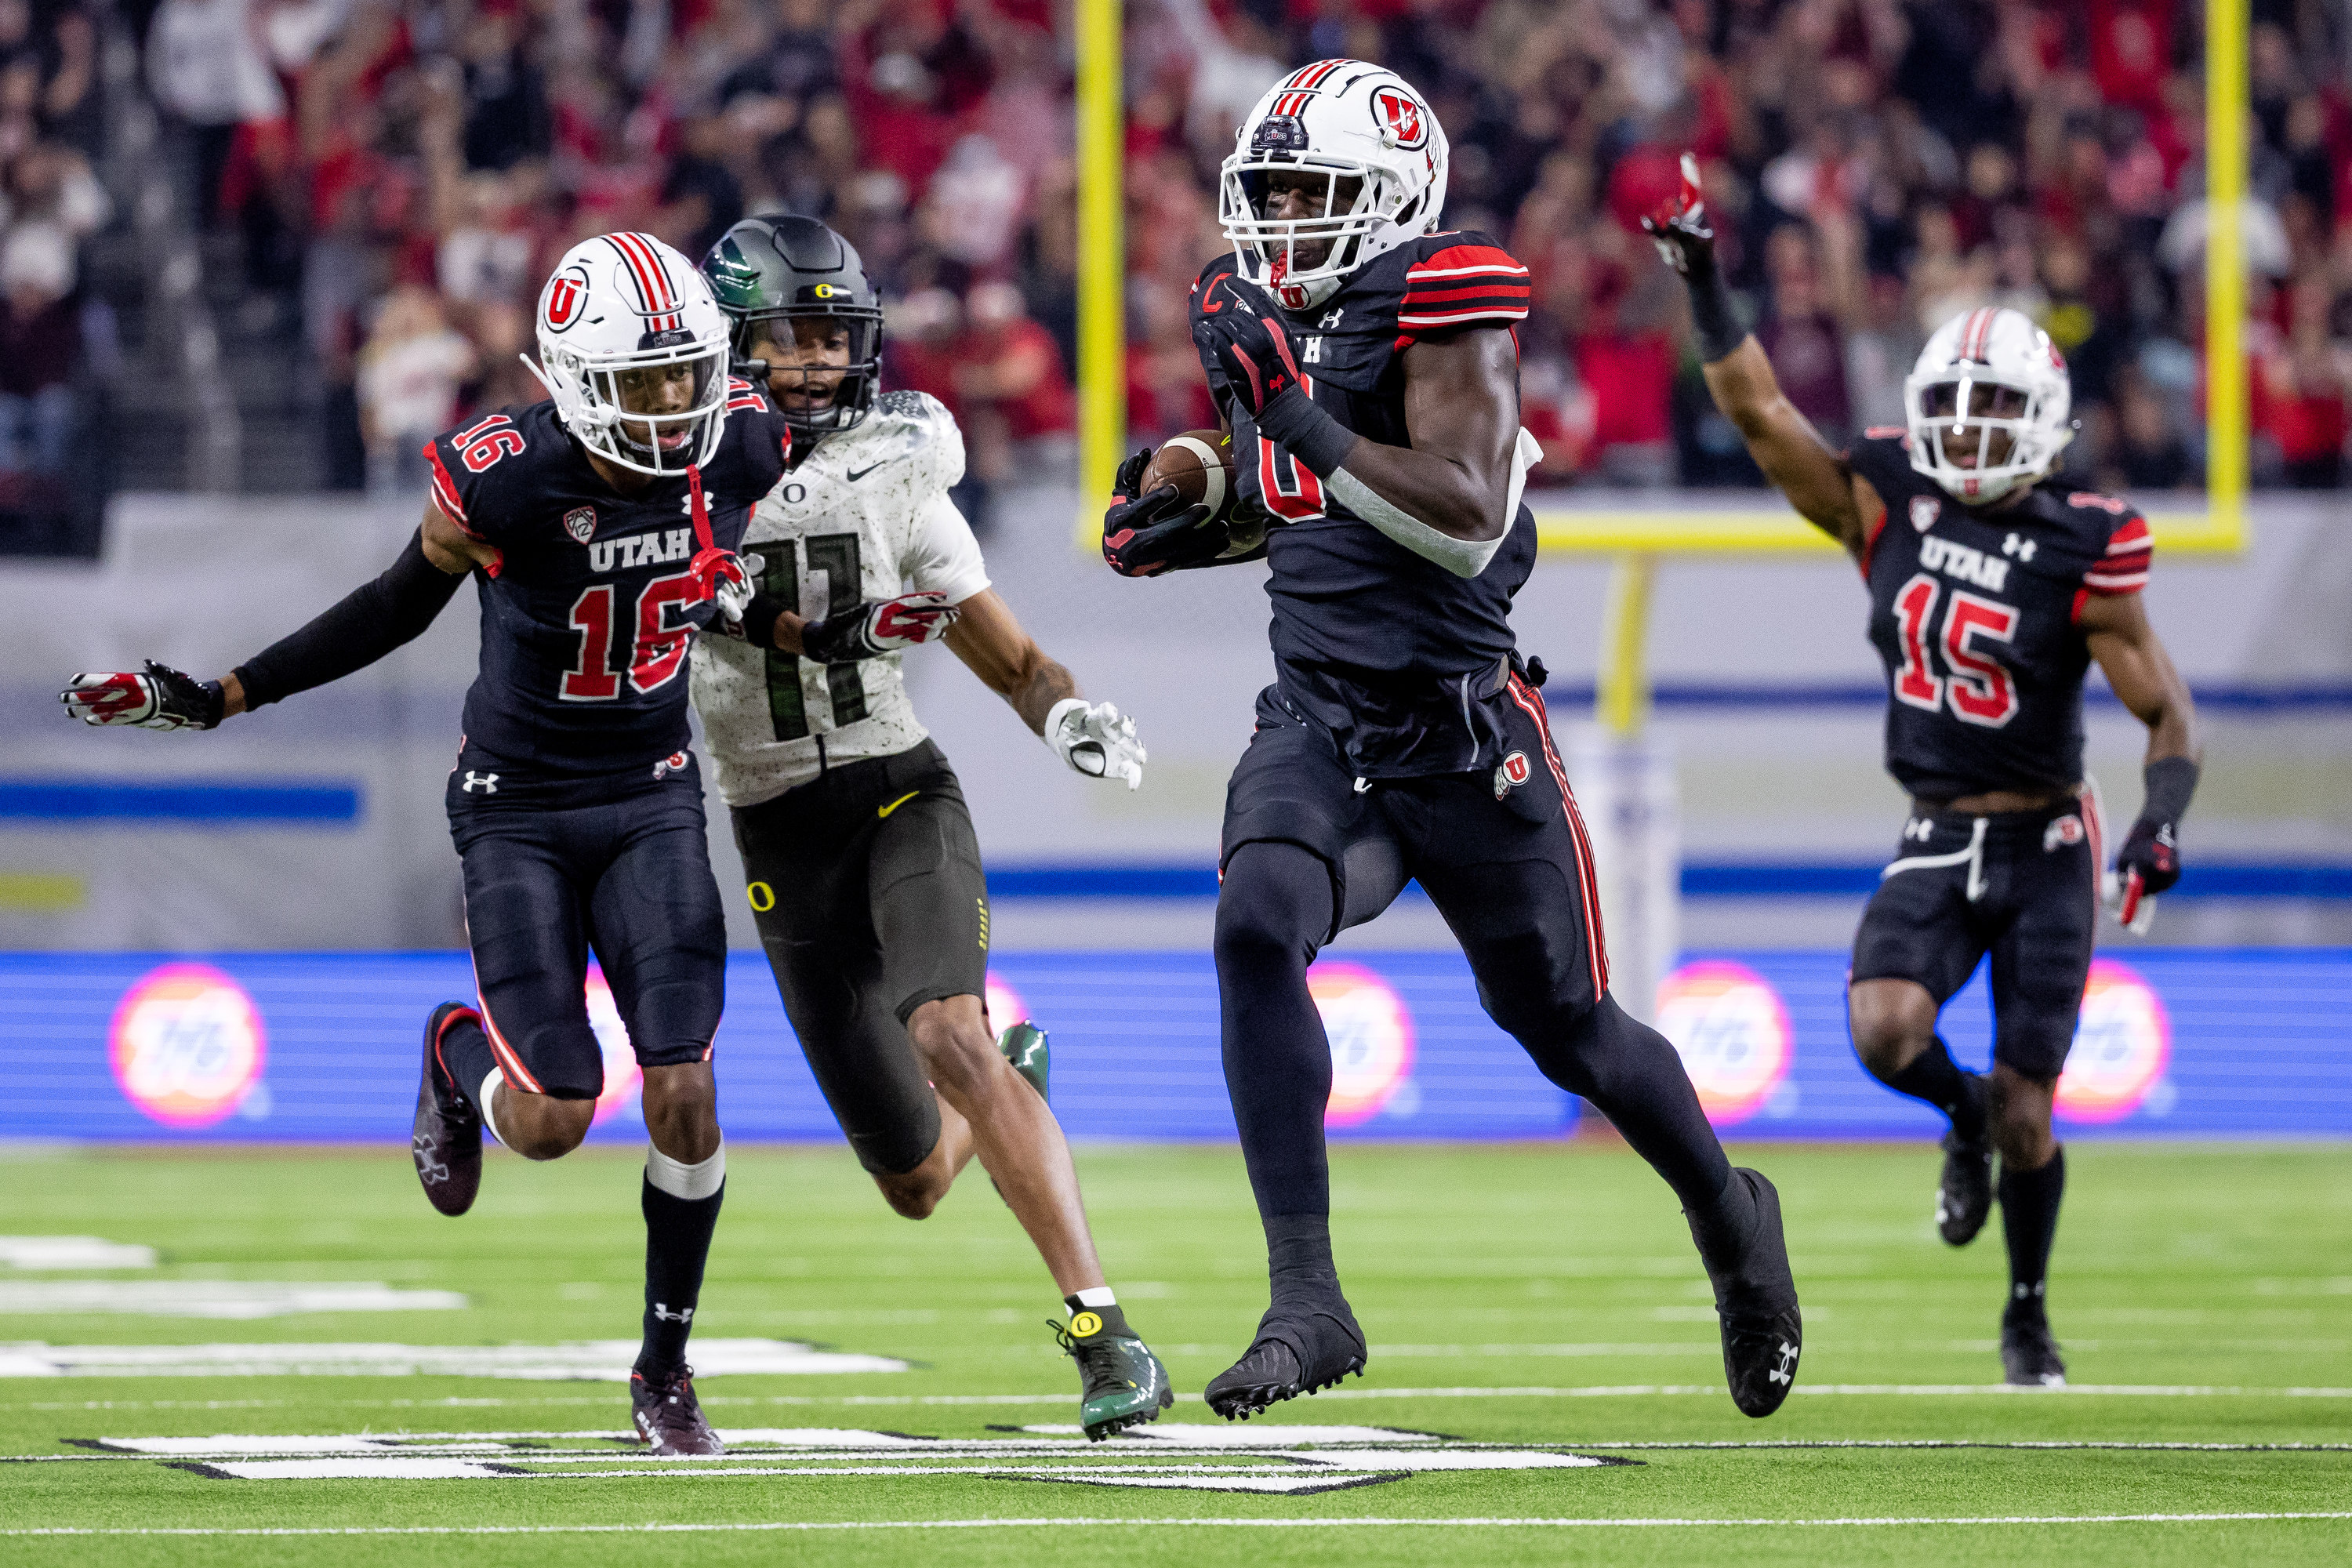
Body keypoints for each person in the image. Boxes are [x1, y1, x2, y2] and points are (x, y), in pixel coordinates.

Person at [1100, 63, 1802, 1422]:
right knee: (1256, 921)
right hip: (1319, 716)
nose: (1286, 223)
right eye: (1273, 196)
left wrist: (1289, 414)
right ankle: (1307, 1298)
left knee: (1571, 1029)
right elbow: (1294, 499)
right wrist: (1186, 500)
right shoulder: (1278, 316)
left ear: (1392, 195)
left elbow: (1463, 512)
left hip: (1464, 729)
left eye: (1315, 194)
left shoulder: (1447, 286)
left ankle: (1732, 1216)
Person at [61, 233, 791, 1452]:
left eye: (686, 374)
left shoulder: (747, 440)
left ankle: (665, 1366)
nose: (675, 406)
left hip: (655, 786)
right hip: (517, 801)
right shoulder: (502, 478)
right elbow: (396, 605)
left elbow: (758, 548)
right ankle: (460, 1059)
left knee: (685, 1086)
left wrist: (798, 613)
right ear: (569, 376)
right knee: (557, 1116)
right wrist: (225, 692)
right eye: (647, 380)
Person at [1647, 160, 2201, 1386]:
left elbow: (2168, 712)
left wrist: (2158, 826)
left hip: (2047, 837)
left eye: (1998, 411)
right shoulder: (1892, 495)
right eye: (1958, 406)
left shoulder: (2083, 543)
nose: (1973, 432)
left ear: (2048, 423)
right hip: (1938, 828)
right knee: (1885, 1031)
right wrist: (1704, 275)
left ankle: (2027, 1313)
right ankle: (1956, 1126)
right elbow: (1758, 413)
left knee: (2033, 1110)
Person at [693, 215, 1170, 1440]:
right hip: (773, 835)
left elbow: (1006, 649)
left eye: (825, 337)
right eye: (782, 339)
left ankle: (1102, 1332)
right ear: (727, 346)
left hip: (895, 788)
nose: (808, 364)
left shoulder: (894, 463)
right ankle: (1007, 1085)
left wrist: (1061, 713)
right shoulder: (668, 477)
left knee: (948, 1026)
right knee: (912, 1181)